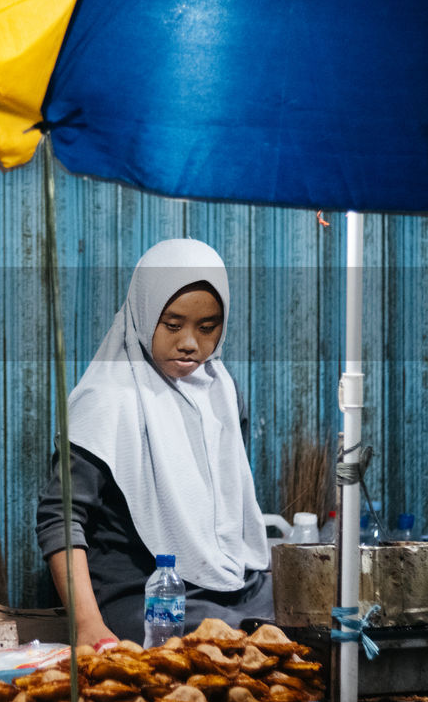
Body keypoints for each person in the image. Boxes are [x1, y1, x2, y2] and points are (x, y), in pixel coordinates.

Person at [36, 238, 272, 647]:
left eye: (207, 327)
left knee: (314, 627)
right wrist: (87, 626)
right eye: (173, 325)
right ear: (144, 315)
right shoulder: (106, 398)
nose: (189, 343)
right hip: (145, 594)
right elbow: (60, 519)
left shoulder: (222, 392)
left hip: (230, 584)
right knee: (234, 645)